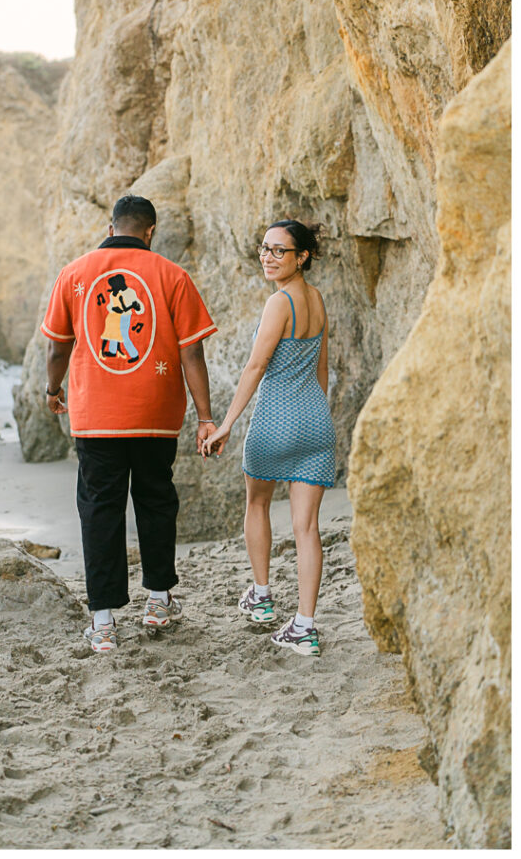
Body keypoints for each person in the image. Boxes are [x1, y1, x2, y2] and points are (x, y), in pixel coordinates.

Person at [42, 195, 217, 652]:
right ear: (150, 231)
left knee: (101, 508)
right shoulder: (172, 276)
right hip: (156, 415)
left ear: (111, 224)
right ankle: (158, 600)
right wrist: (204, 416)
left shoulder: (74, 273)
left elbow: (57, 348)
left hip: (96, 417)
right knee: (156, 500)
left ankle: (102, 622)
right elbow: (192, 352)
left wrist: (52, 390)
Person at [201, 219, 335, 656]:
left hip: (275, 421)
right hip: (315, 421)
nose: (269, 257)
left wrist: (225, 424)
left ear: (302, 257)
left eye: (280, 251)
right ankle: (304, 626)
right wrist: (315, 416)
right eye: (265, 249)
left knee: (257, 503)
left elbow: (255, 368)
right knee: (307, 528)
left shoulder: (279, 303)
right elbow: (321, 372)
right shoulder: (316, 301)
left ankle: (261, 599)